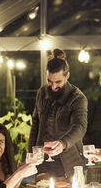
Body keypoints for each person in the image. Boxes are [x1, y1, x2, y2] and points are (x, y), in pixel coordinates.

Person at [28, 48, 87, 180]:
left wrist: (62, 143)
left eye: (58, 82)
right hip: (43, 162)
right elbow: (35, 124)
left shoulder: (78, 98)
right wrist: (31, 152)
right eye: (50, 81)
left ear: (67, 76)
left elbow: (80, 127)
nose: (53, 87)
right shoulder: (42, 93)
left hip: (70, 163)